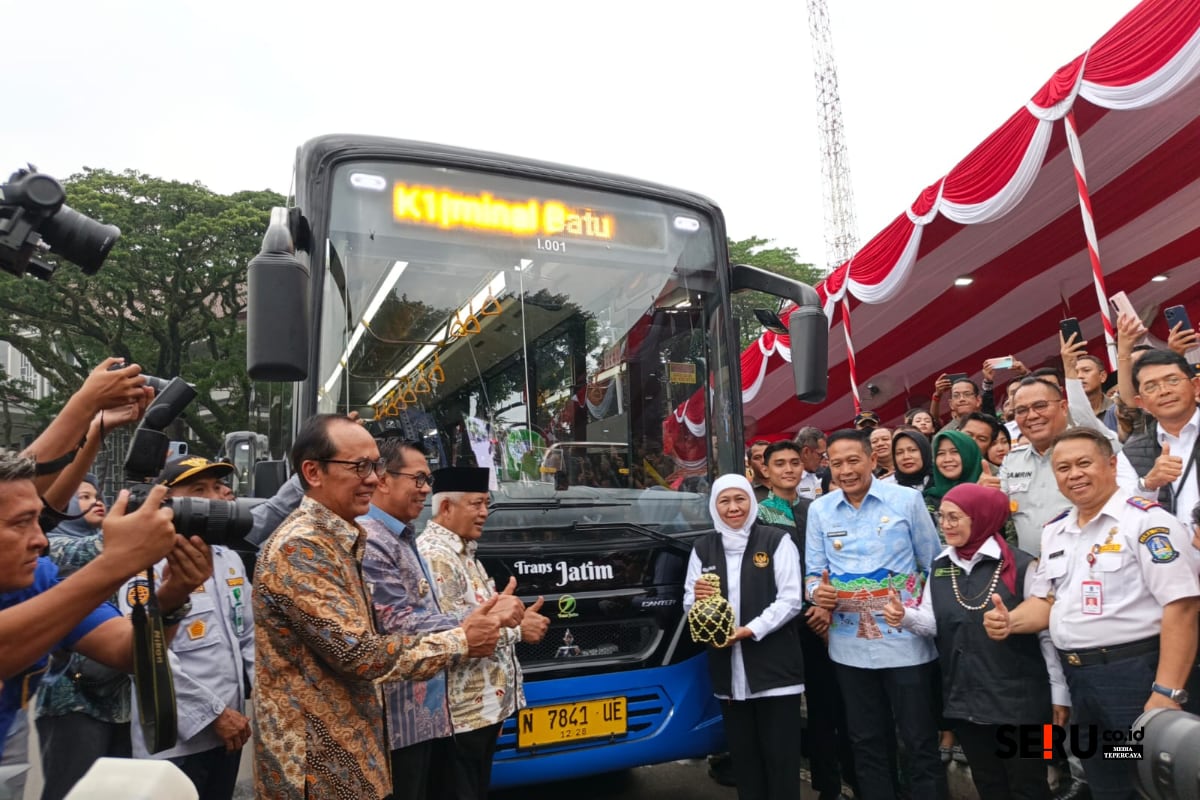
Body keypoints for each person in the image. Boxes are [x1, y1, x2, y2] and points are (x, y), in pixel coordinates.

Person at [252, 414, 514, 800]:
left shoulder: (343, 537)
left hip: (353, 750)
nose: (374, 479)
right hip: (318, 766)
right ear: (313, 472)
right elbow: (357, 652)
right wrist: (461, 639)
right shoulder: (302, 546)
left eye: (376, 466)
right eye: (360, 467)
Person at [984, 428, 1200, 800]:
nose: (1074, 474)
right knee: (1108, 782)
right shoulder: (1056, 530)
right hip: (1081, 681)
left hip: (1134, 678)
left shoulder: (1147, 523)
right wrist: (1010, 621)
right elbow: (1046, 602)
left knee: (1151, 785)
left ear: (1112, 464)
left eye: (1084, 463)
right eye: (1063, 468)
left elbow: (1182, 606)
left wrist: (1166, 691)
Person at [0, 450, 210, 794]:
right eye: (21, 522)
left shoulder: (39, 579)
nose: (41, 540)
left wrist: (171, 597)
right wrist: (116, 562)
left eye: (38, 520)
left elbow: (125, 651)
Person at [360, 440, 526, 800]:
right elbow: (406, 626)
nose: (425, 489)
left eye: (428, 480)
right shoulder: (393, 543)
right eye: (418, 479)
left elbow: (438, 620)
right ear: (383, 480)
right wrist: (505, 624)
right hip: (423, 712)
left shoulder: (405, 539)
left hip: (430, 712)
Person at [885, 484, 1068, 800]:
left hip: (1023, 702)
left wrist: (1059, 691)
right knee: (989, 784)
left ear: (982, 517)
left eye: (955, 517)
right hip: (965, 699)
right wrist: (905, 616)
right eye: (942, 517)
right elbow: (933, 622)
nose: (946, 525)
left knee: (1030, 786)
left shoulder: (1022, 565)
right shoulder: (941, 565)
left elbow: (1046, 634)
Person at [806, 429, 946, 800]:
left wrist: (924, 617)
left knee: (918, 738)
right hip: (848, 645)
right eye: (837, 463)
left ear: (872, 460)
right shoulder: (820, 510)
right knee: (865, 740)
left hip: (906, 641)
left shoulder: (906, 501)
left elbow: (933, 564)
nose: (846, 470)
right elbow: (812, 573)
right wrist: (817, 593)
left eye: (854, 460)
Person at [119, 456, 254, 800]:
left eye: (217, 487)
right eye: (199, 490)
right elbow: (148, 656)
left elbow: (248, 637)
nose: (215, 498)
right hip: (175, 743)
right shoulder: (146, 562)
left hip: (229, 734)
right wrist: (214, 715)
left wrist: (267, 700)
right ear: (166, 502)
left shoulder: (228, 559)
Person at [417, 466, 547, 800]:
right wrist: (518, 630)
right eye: (476, 504)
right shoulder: (436, 556)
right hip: (458, 718)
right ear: (446, 507)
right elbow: (455, 636)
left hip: (478, 714)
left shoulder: (463, 552)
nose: (485, 513)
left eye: (487, 504)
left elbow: (481, 617)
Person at [685, 474, 805, 800]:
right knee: (745, 763)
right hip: (730, 677)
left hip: (775, 672)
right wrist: (697, 600)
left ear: (751, 501)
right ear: (714, 506)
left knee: (781, 762)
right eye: (724, 501)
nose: (733, 507)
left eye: (740, 499)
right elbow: (689, 604)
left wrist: (750, 630)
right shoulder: (703, 548)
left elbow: (791, 600)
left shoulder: (776, 541)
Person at [756, 442, 853, 800]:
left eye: (794, 462)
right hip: (779, 625)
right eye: (779, 463)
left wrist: (823, 606)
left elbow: (832, 562)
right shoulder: (758, 514)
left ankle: (831, 786)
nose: (788, 469)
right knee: (779, 711)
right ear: (765, 471)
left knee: (826, 706)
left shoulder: (817, 510)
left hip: (819, 620)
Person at [35, 475, 134, 800]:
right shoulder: (50, 546)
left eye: (98, 495)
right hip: (72, 704)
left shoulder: (109, 546)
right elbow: (93, 551)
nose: (96, 502)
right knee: (72, 791)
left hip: (118, 701)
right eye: (84, 496)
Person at [1116, 349, 1199, 530]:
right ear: (1141, 403)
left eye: (1173, 380)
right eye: (1151, 387)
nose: (1164, 391)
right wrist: (1149, 484)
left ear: (1196, 386)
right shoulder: (1130, 454)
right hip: (1167, 546)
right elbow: (1123, 514)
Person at [925, 431, 984, 524]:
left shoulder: (988, 493)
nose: (947, 459)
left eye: (955, 452)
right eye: (941, 453)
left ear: (970, 454)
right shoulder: (929, 498)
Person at [892, 430, 933, 494]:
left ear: (925, 452)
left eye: (912, 450)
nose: (906, 457)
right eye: (899, 452)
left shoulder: (942, 479)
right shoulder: (889, 487)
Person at [794, 427, 827, 499]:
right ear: (806, 452)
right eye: (820, 455)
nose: (823, 459)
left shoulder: (819, 474)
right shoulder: (791, 478)